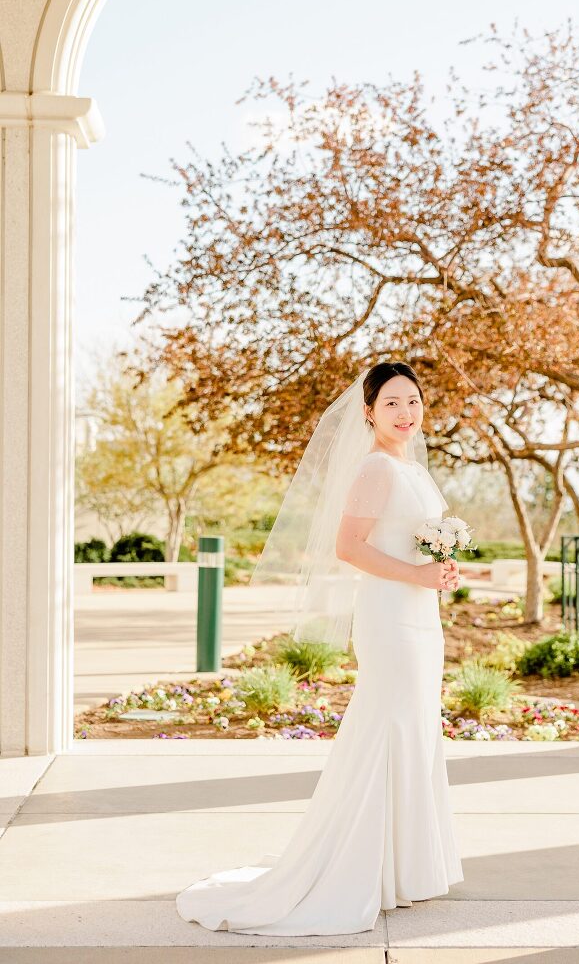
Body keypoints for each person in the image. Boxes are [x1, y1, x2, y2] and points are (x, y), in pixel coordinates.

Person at [175, 360, 465, 935]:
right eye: (391, 404)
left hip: (419, 617)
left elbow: (405, 544)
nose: (405, 413)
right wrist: (417, 575)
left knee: (414, 729)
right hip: (390, 620)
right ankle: (363, 869)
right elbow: (349, 548)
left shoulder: (413, 470)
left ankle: (404, 869)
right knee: (387, 729)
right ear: (368, 412)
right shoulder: (376, 469)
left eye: (413, 401)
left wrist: (440, 571)